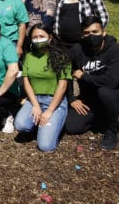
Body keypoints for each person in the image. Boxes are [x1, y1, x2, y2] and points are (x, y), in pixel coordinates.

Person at [65, 16, 119, 150]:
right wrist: (71, 98)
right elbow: (66, 74)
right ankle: (102, 117)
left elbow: (111, 81)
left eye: (95, 32)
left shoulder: (116, 51)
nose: (90, 36)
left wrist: (84, 76)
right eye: (86, 33)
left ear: (103, 32)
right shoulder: (77, 50)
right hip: (90, 99)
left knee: (104, 91)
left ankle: (111, 131)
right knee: (72, 127)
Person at [14, 24, 71, 152]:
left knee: (45, 146)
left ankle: (49, 125)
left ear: (50, 38)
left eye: (42, 36)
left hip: (54, 102)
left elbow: (62, 86)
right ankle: (38, 124)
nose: (38, 39)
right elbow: (26, 81)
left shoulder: (62, 56)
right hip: (34, 99)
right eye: (35, 37)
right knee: (20, 125)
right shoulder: (29, 56)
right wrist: (35, 105)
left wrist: (49, 111)